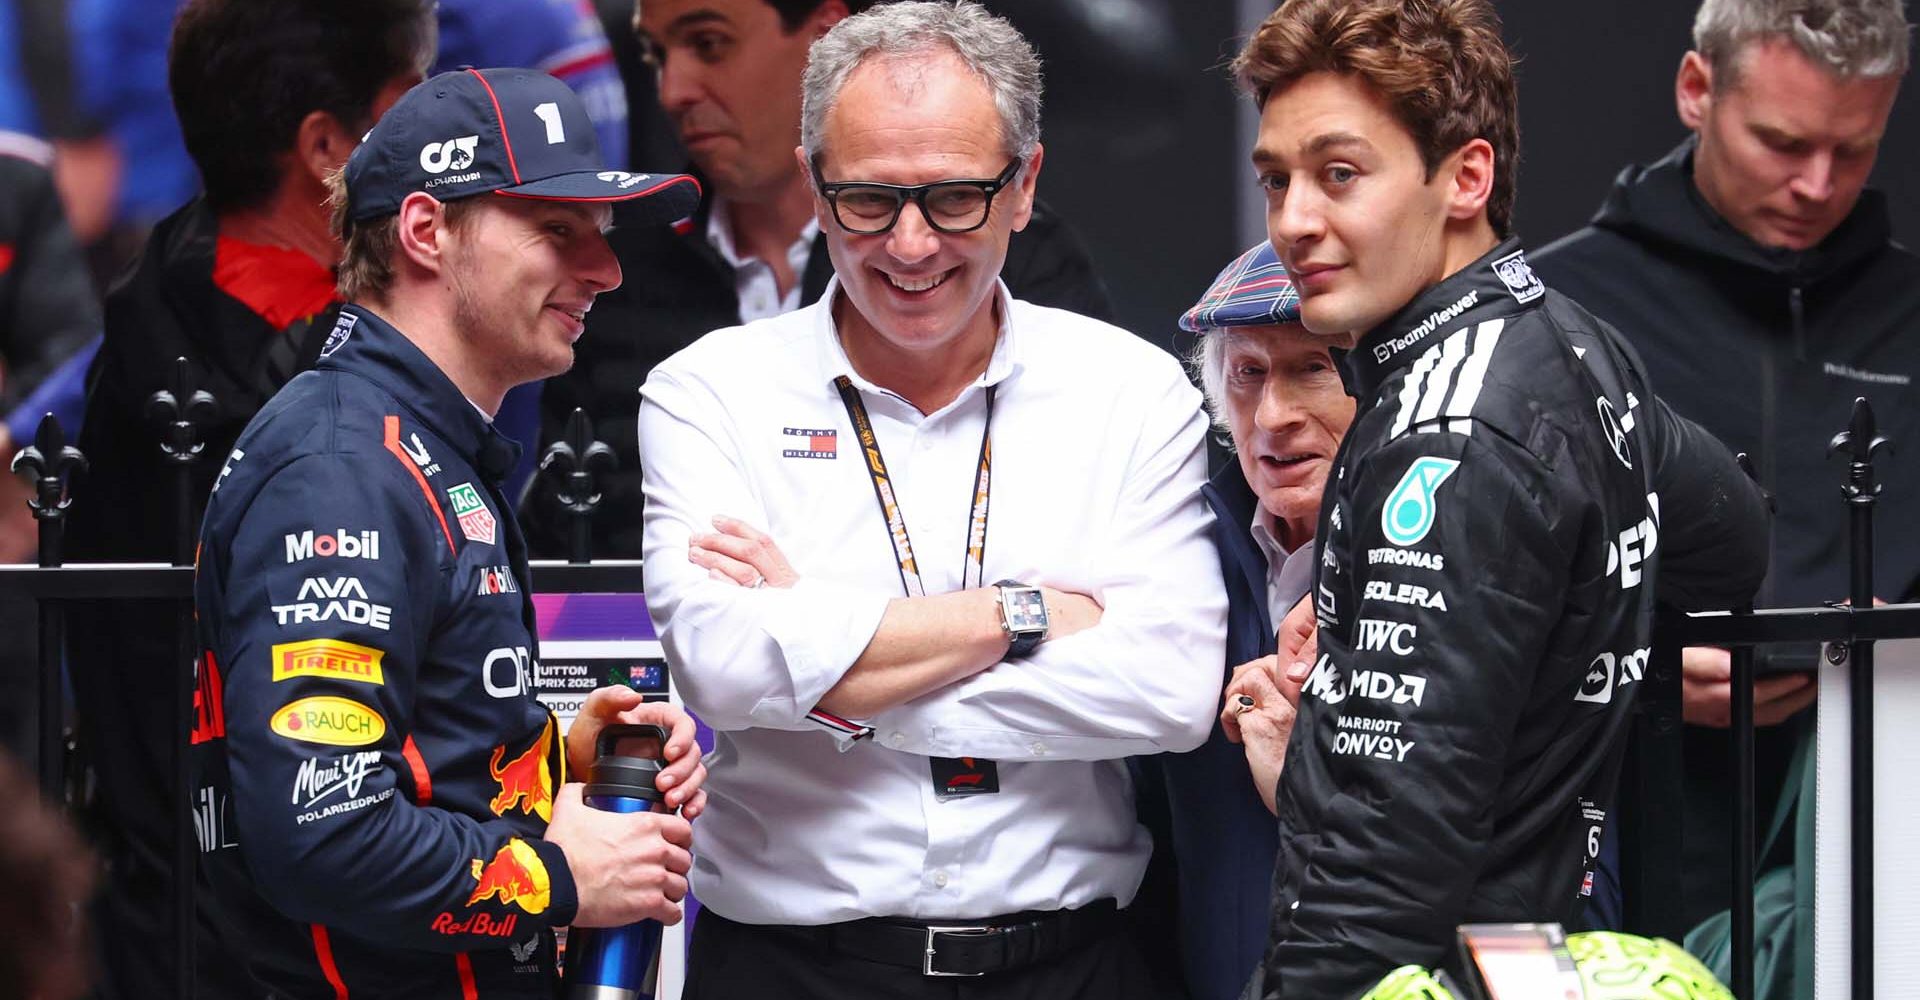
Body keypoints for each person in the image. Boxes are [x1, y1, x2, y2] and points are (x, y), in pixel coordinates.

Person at [637, 4, 1224, 997]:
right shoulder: (708, 393)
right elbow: (727, 670)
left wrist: (833, 671)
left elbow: (1168, 691)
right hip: (790, 971)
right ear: (816, 186)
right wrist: (1018, 615)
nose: (910, 245)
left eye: (954, 198)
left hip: (1072, 966)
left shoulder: (1135, 392)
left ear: (1025, 185)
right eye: (867, 200)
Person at [1230, 0, 1773, 994]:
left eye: (1340, 174)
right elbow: (1734, 536)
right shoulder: (1569, 340)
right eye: (1278, 179)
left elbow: (1376, 868)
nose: (1295, 220)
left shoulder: (1444, 432)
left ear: (1467, 178)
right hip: (1522, 956)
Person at [193, 67, 709, 996]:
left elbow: (397, 758)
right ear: (426, 232)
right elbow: (324, 830)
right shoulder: (343, 468)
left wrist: (550, 763)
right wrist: (561, 879)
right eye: (558, 231)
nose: (606, 269)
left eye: (600, 233)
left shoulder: (412, 442)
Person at [62, 3, 435, 995]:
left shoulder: (160, 290)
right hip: (256, 933)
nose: (441, 143)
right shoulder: (299, 374)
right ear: (326, 148)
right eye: (409, 110)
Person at [1533, 0, 1916, 931]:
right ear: (1696, 90)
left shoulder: (1910, 313)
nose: (1818, 185)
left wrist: (1892, 648)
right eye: (1782, 143)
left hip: (1884, 835)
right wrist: (1649, 669)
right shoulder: (1561, 306)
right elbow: (1479, 598)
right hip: (1619, 833)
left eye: (1854, 149)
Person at [522, 0, 1113, 559]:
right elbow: (571, 545)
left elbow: (1082, 538)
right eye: (656, 55)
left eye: (709, 43)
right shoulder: (615, 273)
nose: (672, 91)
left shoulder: (1015, 258)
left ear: (822, 36)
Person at [1134, 241, 1353, 1000]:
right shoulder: (1169, 552)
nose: (1274, 415)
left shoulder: (1453, 556)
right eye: (1248, 374)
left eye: (1313, 369)